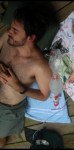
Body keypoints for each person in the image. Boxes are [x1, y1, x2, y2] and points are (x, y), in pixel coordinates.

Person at [0, 3, 53, 148]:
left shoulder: (39, 66)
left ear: (31, 38)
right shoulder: (8, 38)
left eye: (15, 30)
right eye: (11, 27)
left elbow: (44, 95)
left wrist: (18, 87)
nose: (9, 31)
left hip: (8, 110)